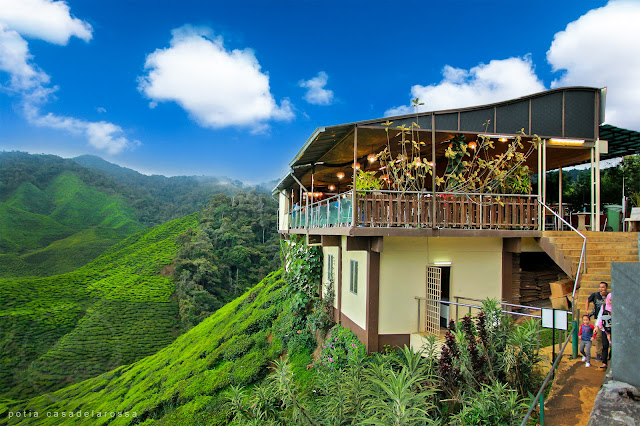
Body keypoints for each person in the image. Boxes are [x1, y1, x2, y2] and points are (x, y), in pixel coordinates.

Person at [585, 282, 608, 361]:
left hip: (607, 319)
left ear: (606, 288)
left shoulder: (609, 296)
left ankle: (607, 354)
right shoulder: (595, 295)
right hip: (598, 319)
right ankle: (599, 353)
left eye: (603, 287)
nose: (601, 289)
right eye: (600, 287)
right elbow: (588, 300)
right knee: (598, 336)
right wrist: (586, 310)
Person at [596, 292, 612, 369]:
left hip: (614, 330)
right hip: (604, 329)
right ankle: (604, 362)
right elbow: (600, 317)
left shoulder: (618, 308)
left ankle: (611, 360)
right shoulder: (604, 307)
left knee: (613, 346)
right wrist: (597, 326)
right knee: (605, 345)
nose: (611, 302)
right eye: (610, 300)